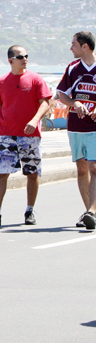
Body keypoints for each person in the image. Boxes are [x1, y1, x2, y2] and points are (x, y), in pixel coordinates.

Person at [0, 45, 51, 226]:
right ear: (10, 60)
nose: (25, 59)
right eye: (20, 56)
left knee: (32, 173)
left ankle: (29, 210)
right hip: (7, 135)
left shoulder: (36, 79)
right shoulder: (1, 82)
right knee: (1, 173)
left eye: (27, 56)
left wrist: (34, 120)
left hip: (30, 136)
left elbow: (45, 103)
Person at [57, 31, 96, 229]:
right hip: (76, 127)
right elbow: (62, 95)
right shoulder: (72, 68)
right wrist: (75, 103)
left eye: (74, 44)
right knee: (81, 169)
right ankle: (89, 212)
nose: (71, 48)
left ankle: (92, 211)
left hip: (95, 128)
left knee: (94, 167)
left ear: (85, 47)